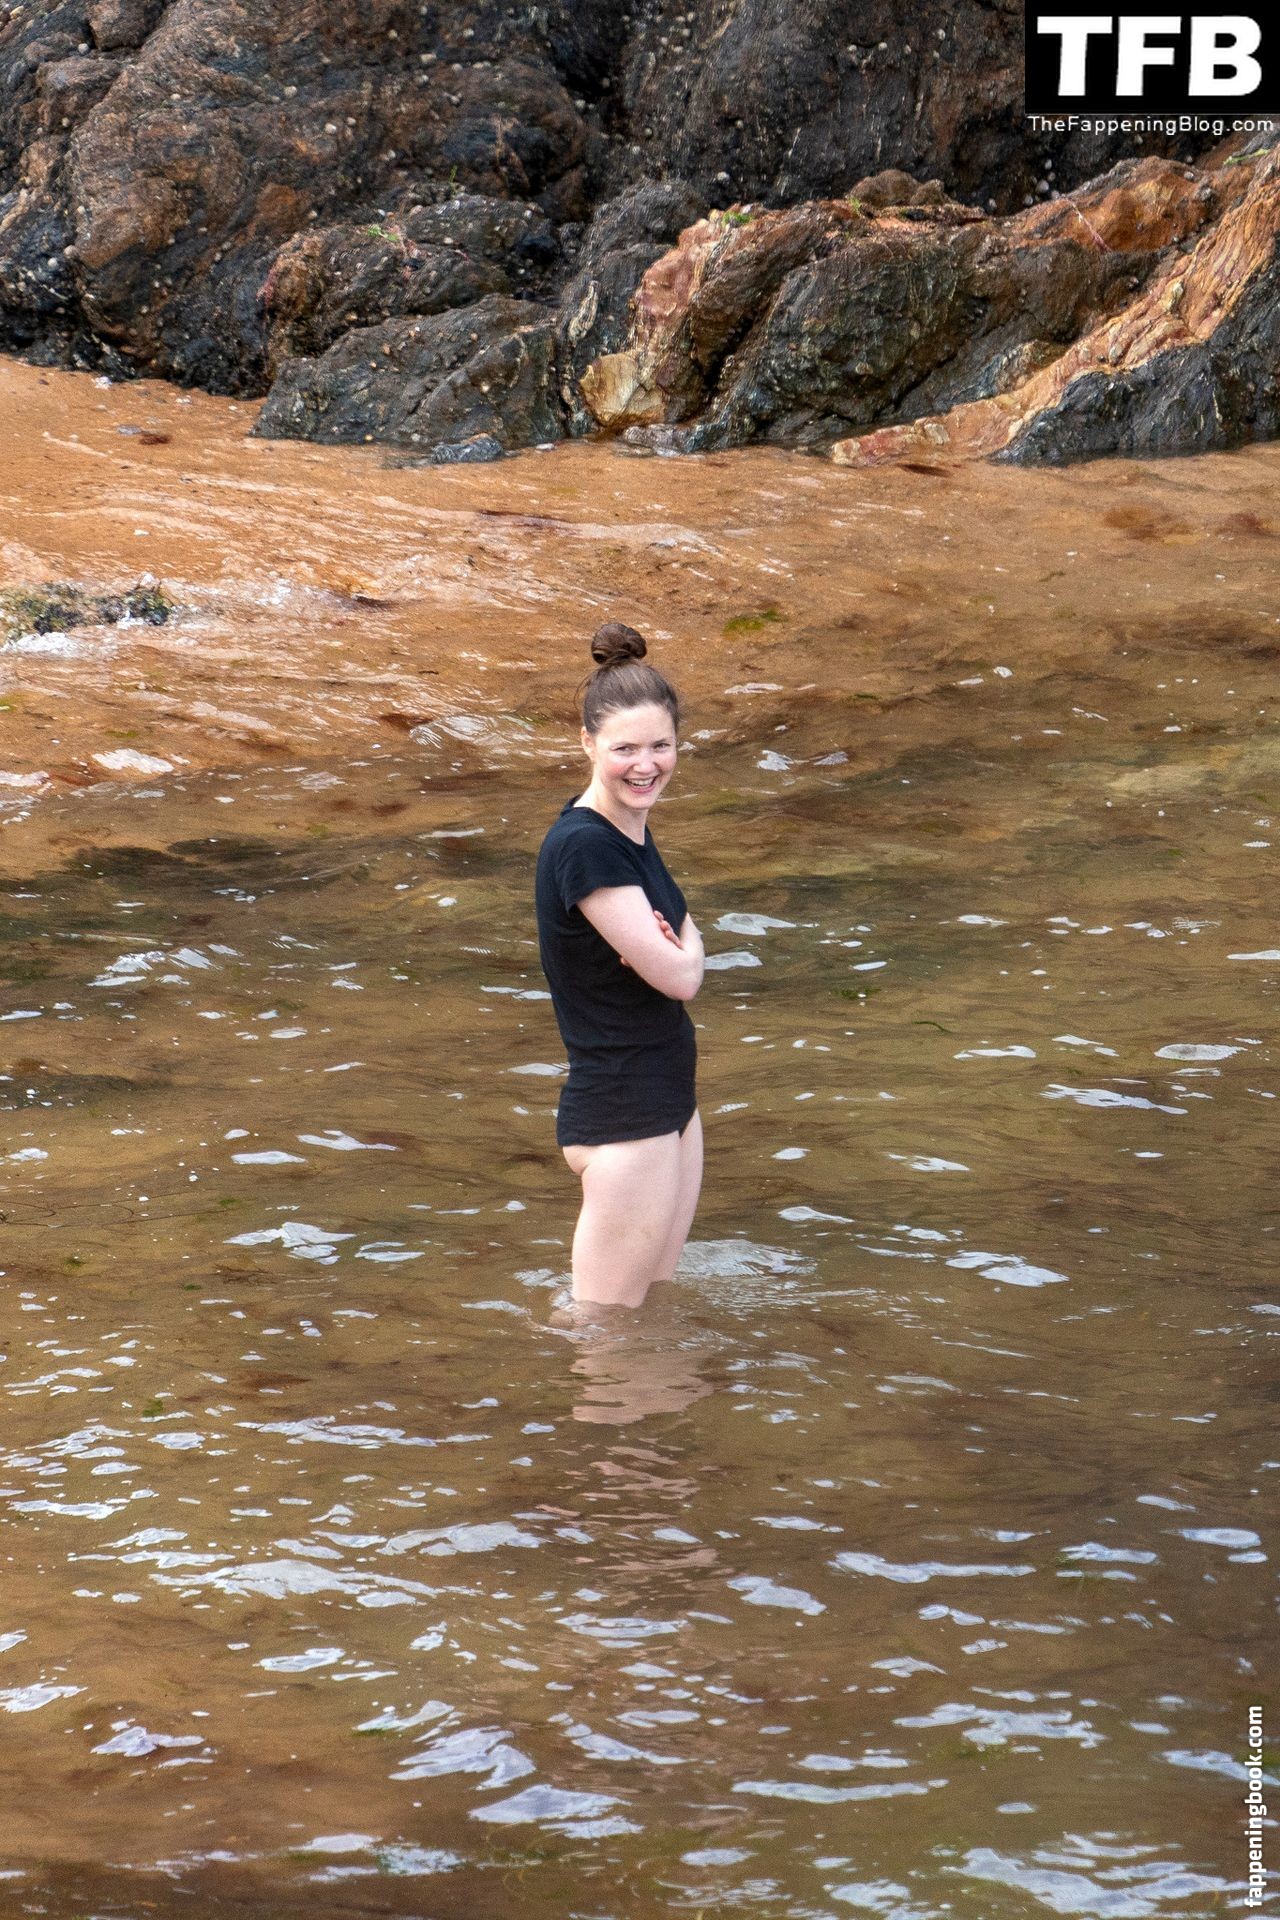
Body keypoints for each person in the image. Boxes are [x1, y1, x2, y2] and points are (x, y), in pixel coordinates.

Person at [534, 622, 705, 1310]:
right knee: (604, 1335)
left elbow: (681, 939)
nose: (646, 765)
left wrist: (680, 943)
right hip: (624, 1114)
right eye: (625, 749)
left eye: (660, 746)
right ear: (587, 744)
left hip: (664, 1100)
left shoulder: (628, 826)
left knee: (652, 1321)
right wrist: (684, 947)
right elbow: (682, 976)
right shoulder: (587, 846)